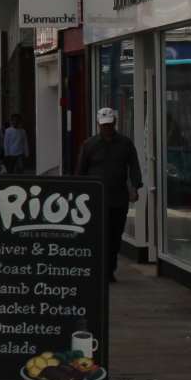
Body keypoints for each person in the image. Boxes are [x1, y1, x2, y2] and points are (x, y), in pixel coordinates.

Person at [77, 107, 142, 282]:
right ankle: (99, 269)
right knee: (99, 235)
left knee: (114, 235)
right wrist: (79, 195)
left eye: (110, 125)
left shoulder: (125, 144)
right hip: (95, 199)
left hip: (118, 198)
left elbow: (134, 166)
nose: (107, 128)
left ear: (115, 123)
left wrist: (135, 187)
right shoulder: (89, 145)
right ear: (98, 124)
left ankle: (110, 268)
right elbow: (80, 172)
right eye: (104, 125)